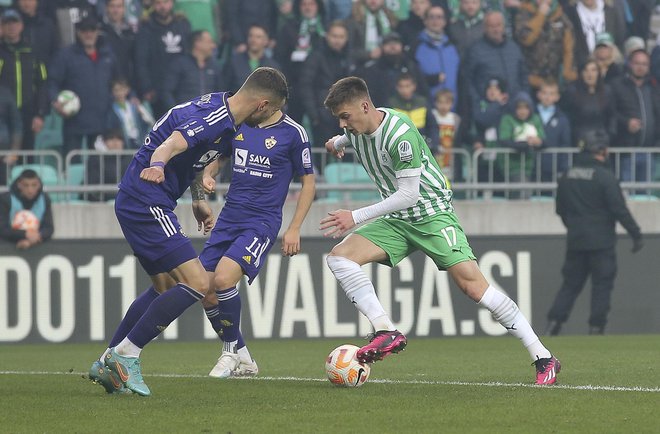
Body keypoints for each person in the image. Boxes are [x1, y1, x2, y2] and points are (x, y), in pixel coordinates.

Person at [320, 76, 561, 385]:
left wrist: (355, 216)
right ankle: (386, 330)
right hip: (398, 220)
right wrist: (335, 143)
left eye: (345, 116)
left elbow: (408, 194)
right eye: (339, 119)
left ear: (365, 106)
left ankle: (543, 356)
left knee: (476, 289)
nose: (342, 124)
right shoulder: (355, 129)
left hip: (431, 214)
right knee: (340, 258)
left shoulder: (399, 134)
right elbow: (346, 139)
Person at [88, 67, 289, 396]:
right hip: (146, 200)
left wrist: (197, 199)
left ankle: (106, 358)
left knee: (164, 285)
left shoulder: (227, 119)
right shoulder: (216, 117)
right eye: (273, 112)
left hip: (140, 199)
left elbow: (196, 156)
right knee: (196, 282)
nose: (270, 119)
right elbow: (173, 143)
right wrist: (157, 163)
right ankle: (127, 355)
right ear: (262, 105)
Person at [199, 110, 316, 379]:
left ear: (267, 101)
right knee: (204, 290)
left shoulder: (293, 133)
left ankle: (228, 353)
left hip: (261, 221)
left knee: (224, 279)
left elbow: (308, 182)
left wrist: (294, 227)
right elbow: (220, 157)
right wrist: (209, 174)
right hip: (229, 216)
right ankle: (244, 359)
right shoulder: (240, 124)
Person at [546, 129, 643, 336]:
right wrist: (636, 234)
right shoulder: (605, 177)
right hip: (602, 243)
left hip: (576, 241)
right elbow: (619, 210)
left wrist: (575, 228)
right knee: (601, 286)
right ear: (601, 150)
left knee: (570, 286)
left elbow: (560, 210)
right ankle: (595, 329)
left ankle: (553, 325)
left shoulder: (567, 176)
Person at [0, 168, 53, 249]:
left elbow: (49, 228)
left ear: (39, 185)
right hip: (6, 246)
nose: (30, 190)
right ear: (19, 185)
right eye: (26, 185)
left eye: (34, 185)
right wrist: (24, 234)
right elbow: (2, 229)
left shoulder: (45, 199)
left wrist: (34, 238)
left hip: (35, 245)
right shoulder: (6, 199)